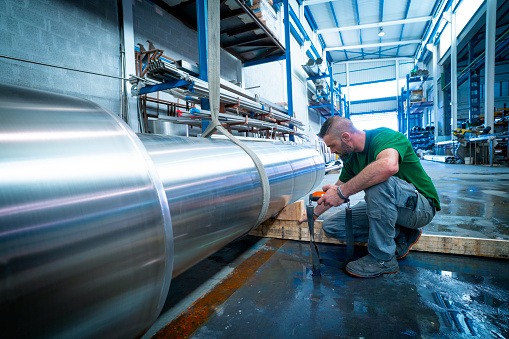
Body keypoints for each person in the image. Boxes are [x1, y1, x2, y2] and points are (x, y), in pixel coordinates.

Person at [310, 116, 440, 278]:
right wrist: (313, 215)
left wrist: (342, 192)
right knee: (333, 226)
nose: (331, 151)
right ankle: (401, 234)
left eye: (332, 146)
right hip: (392, 207)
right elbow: (335, 191)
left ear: (346, 137)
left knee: (378, 181)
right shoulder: (352, 159)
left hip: (420, 208)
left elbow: (388, 166)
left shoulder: (385, 137)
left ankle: (383, 259)